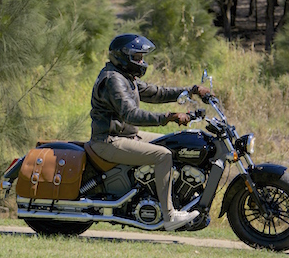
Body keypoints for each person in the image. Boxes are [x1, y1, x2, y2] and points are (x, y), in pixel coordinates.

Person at [89, 33, 211, 231]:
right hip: (108, 141)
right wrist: (168, 117)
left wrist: (192, 90)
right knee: (163, 155)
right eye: (137, 57)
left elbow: (157, 93)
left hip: (126, 136)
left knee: (173, 142)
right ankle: (169, 215)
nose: (141, 61)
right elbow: (130, 114)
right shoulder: (113, 80)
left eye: (142, 57)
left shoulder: (125, 77)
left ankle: (169, 199)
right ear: (123, 56)